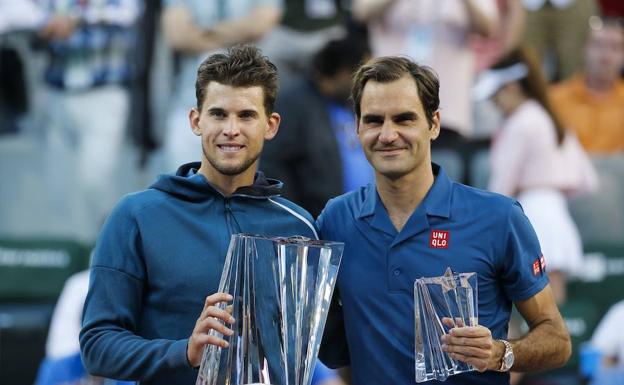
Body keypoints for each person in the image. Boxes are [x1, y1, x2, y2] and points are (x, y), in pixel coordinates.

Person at [80, 45, 342, 385]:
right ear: (196, 120)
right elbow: (97, 346)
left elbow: (332, 346)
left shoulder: (299, 225)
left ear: (271, 125)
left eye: (246, 115)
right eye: (218, 114)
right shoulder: (136, 216)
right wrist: (185, 352)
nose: (231, 129)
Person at [316, 55, 571, 385]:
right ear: (358, 127)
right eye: (374, 120)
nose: (388, 134)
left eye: (404, 119)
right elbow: (329, 340)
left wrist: (500, 352)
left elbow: (557, 339)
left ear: (433, 124)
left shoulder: (499, 218)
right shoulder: (336, 220)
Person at [477, 46, 598, 305]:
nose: (494, 103)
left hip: (530, 214)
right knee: (555, 309)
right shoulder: (550, 117)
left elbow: (501, 188)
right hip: (556, 214)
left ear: (512, 87)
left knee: (526, 308)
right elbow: (587, 180)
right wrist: (552, 188)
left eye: (495, 95)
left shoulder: (521, 123)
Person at [37, 0, 141, 238]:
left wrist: (74, 19)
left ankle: (107, 248)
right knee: (59, 184)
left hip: (105, 92)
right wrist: (45, 24)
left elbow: (128, 14)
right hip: (59, 92)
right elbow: (24, 14)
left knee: (95, 179)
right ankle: (72, 255)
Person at [161, 0, 282, 170]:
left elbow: (260, 25)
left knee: (244, 186)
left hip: (248, 105)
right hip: (189, 101)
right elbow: (178, 35)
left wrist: (206, 31)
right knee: (183, 184)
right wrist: (236, 36)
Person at [261, 37, 373, 217]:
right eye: (363, 75)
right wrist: (297, 216)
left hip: (358, 219)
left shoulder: (351, 103)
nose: (366, 83)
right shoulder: (293, 103)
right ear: (345, 72)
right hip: (315, 223)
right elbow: (272, 163)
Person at [550, 17, 624, 154]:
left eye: (615, 47)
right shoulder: (555, 99)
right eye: (598, 45)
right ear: (584, 49)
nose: (606, 56)